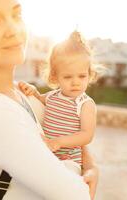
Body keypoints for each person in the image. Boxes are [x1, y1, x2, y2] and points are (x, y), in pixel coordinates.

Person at [0, 0, 98, 199]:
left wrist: (90, 166)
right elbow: (78, 195)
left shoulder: (18, 91)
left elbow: (74, 132)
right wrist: (91, 175)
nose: (13, 30)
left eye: (16, 15)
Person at [19, 31, 98, 175]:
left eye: (82, 76)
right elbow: (39, 98)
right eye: (68, 77)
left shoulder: (85, 104)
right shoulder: (52, 96)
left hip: (69, 160)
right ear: (55, 77)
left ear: (89, 74)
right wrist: (33, 91)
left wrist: (59, 142)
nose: (75, 82)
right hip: (47, 155)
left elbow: (87, 135)